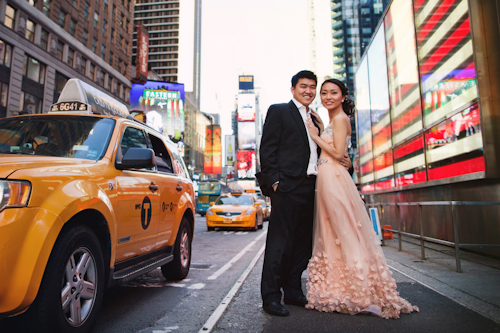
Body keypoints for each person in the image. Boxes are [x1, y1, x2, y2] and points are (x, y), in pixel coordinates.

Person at [304, 78, 419, 319]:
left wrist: (314, 134)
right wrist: (322, 127)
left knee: (344, 230)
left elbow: (335, 152)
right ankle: (342, 286)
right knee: (333, 231)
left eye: (333, 92)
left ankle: (360, 290)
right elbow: (337, 149)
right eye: (324, 93)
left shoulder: (341, 119)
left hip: (334, 177)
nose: (327, 96)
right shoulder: (335, 120)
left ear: (343, 97)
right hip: (328, 176)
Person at [259, 71, 351, 317]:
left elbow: (329, 149)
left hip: (314, 187)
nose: (309, 91)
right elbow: (267, 149)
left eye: (313, 87)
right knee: (280, 242)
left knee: (303, 244)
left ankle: (292, 290)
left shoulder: (317, 118)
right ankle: (271, 297)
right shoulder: (279, 111)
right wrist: (275, 181)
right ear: (293, 89)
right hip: (287, 187)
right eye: (304, 86)